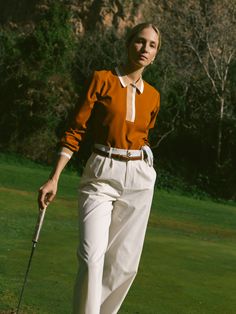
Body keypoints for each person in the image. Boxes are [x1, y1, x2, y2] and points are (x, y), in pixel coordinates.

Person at [38, 22, 161, 314]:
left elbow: (145, 134)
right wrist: (54, 178)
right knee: (91, 258)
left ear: (156, 54)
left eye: (152, 45)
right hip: (101, 174)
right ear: (128, 43)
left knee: (124, 266)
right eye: (140, 41)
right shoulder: (102, 79)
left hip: (139, 179)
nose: (145, 49)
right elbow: (75, 130)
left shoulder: (153, 96)